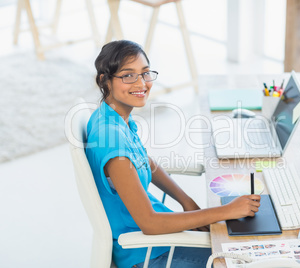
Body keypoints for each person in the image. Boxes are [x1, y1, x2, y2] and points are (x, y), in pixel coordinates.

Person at [85, 40, 261, 268]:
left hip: (160, 238)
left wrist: (186, 200)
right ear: (104, 80)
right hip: (148, 253)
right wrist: (226, 210)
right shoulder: (112, 141)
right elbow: (149, 223)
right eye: (128, 75)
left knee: (242, 241)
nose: (141, 83)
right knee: (247, 257)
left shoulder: (113, 119)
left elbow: (144, 161)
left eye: (145, 73)